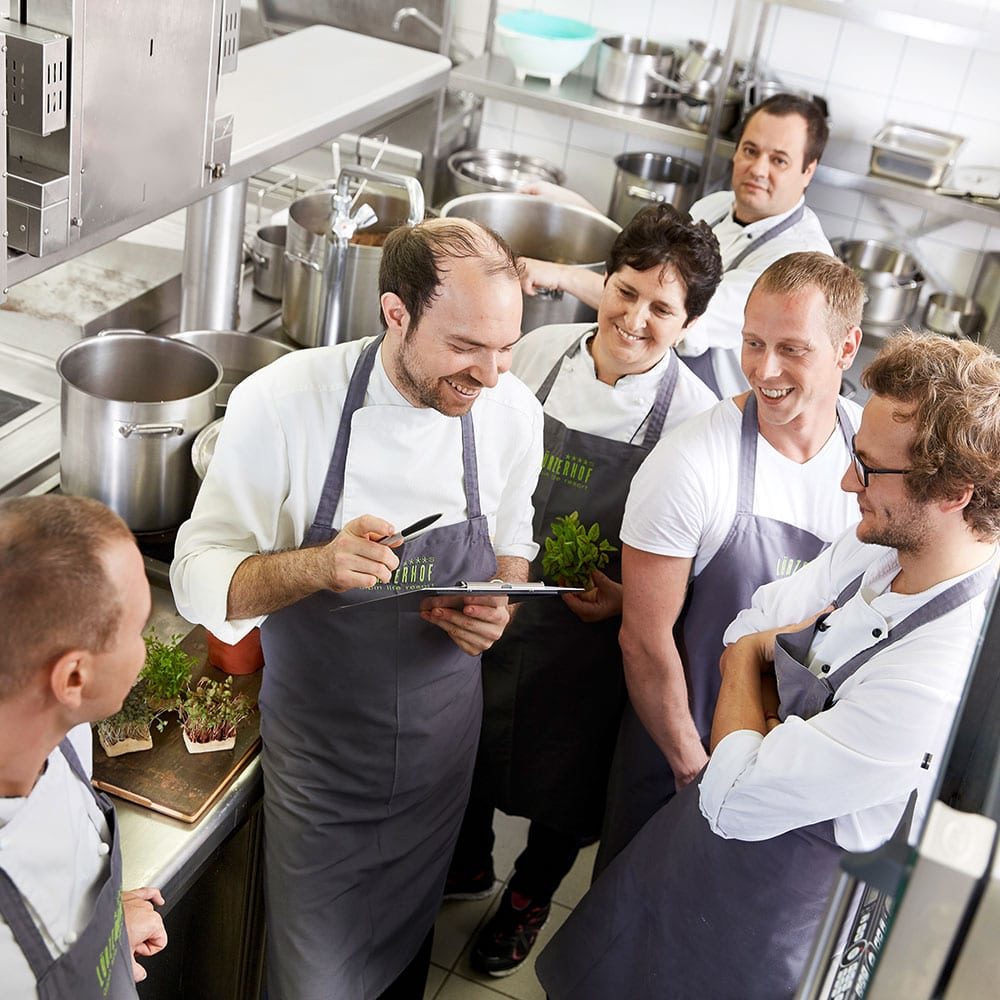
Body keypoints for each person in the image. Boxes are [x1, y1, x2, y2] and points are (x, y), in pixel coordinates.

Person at [536, 331, 1000, 998]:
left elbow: (733, 798)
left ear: (954, 492)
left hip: (767, 922)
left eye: (869, 469)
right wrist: (752, 668)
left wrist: (751, 663)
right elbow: (749, 622)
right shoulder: (881, 545)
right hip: (690, 864)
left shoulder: (935, 676)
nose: (847, 482)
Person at [170, 217, 544, 1000]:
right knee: (318, 981)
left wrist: (497, 602)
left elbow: (514, 537)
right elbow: (198, 579)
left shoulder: (511, 414)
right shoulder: (284, 401)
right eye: (466, 348)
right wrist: (316, 565)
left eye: (506, 349)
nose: (491, 375)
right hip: (326, 767)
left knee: (404, 957)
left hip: (443, 756)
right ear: (395, 313)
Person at [445, 204, 723, 977]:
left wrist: (630, 602)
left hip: (591, 640)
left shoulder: (695, 423)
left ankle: (530, 895)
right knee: (461, 739)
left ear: (689, 321)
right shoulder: (536, 353)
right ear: (605, 281)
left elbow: (692, 565)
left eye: (662, 308)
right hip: (494, 597)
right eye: (626, 290)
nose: (635, 318)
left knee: (570, 781)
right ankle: (465, 864)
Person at [598, 251, 863, 873]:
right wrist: (696, 770)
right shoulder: (691, 462)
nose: (764, 369)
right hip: (682, 752)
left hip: (801, 776)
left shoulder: (870, 457)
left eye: (792, 350)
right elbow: (644, 639)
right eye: (752, 342)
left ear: (846, 348)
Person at [521, 93, 832, 399]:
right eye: (750, 151)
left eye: (779, 160)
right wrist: (577, 210)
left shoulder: (799, 263)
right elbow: (652, 267)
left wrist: (560, 274)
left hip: (713, 407)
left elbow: (674, 317)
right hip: (654, 381)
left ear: (808, 171)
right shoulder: (716, 206)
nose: (758, 169)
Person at [0, 495, 168, 1000]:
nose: (147, 644)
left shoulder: (64, 730)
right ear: (74, 677)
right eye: (139, 629)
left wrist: (108, 930)